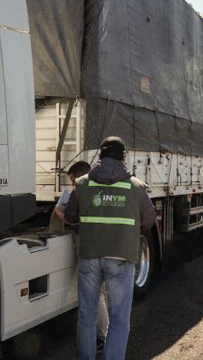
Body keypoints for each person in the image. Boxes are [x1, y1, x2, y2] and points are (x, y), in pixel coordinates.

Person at [59, 136, 155, 360]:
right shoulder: (136, 187)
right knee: (119, 320)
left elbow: (71, 217)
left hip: (90, 257)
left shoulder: (82, 184)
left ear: (100, 157)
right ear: (123, 157)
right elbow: (149, 220)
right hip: (121, 258)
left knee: (87, 317)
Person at [54, 161, 109, 352]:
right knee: (101, 293)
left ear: (80, 176)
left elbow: (71, 219)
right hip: (108, 247)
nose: (73, 185)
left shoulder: (79, 192)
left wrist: (60, 211)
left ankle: (101, 338)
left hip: (90, 251)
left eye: (73, 181)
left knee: (93, 297)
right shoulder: (105, 191)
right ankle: (103, 336)